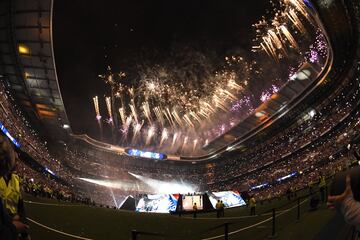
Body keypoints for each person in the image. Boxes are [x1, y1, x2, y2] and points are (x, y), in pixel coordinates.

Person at [0, 134, 29, 239]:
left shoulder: (16, 180)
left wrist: (21, 219)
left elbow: (21, 205)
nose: (16, 163)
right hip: (6, 223)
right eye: (15, 160)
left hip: (12, 220)